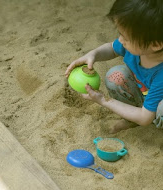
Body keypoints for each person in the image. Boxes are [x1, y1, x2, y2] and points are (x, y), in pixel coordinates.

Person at [65, 0, 163, 134]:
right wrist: (93, 54)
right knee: (115, 75)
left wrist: (104, 101)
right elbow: (112, 48)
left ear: (156, 44)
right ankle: (131, 119)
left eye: (126, 37)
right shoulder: (136, 48)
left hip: (155, 108)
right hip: (146, 98)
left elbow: (145, 118)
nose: (120, 40)